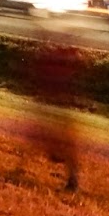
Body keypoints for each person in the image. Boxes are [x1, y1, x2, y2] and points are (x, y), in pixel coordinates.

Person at [23, 28, 83, 191]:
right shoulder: (66, 59)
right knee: (58, 141)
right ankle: (73, 178)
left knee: (47, 138)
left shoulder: (49, 58)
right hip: (59, 106)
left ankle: (73, 178)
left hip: (54, 106)